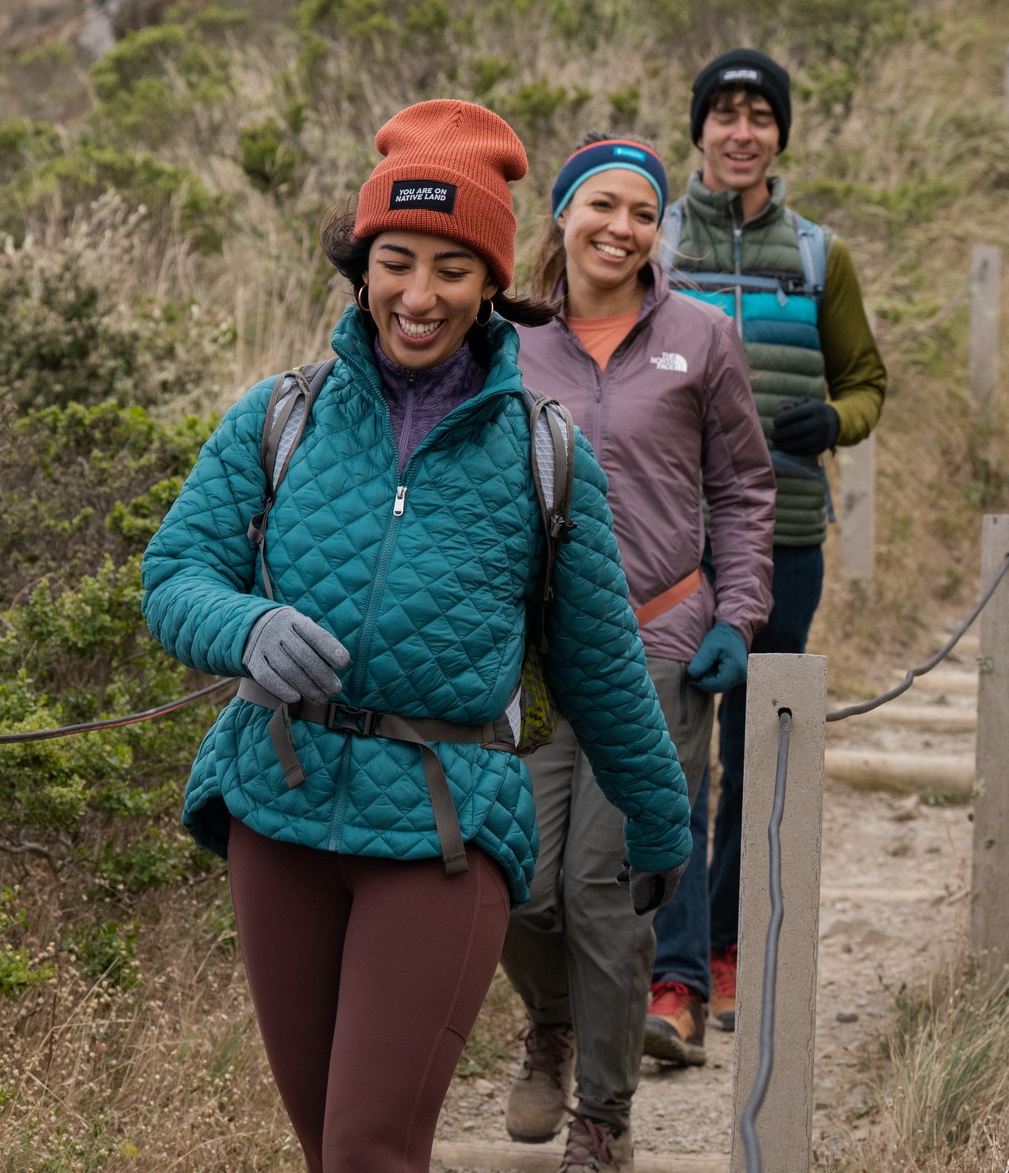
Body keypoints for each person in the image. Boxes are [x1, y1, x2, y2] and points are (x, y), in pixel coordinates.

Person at [141, 99, 692, 1173]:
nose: (418, 295)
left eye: (452, 268)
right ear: (361, 267)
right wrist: (244, 626)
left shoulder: (546, 455)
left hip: (444, 832)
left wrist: (660, 819)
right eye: (396, 261)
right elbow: (173, 576)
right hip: (278, 804)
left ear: (494, 282)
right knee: (326, 1149)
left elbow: (600, 663)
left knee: (366, 1152)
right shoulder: (278, 414)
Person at [498, 136, 776, 1165]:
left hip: (658, 642)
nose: (621, 228)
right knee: (515, 882)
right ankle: (552, 1024)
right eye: (601, 206)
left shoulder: (701, 337)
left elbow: (745, 489)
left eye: (643, 213)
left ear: (660, 230)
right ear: (562, 217)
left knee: (608, 891)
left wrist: (735, 616)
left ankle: (603, 1116)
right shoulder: (504, 341)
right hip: (527, 656)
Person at [648, 49, 887, 1043]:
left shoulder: (820, 257)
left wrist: (832, 423)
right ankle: (672, 977)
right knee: (668, 759)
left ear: (780, 134)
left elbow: (868, 383)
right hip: (666, 551)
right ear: (697, 129)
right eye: (724, 114)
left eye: (759, 115)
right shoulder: (649, 246)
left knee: (756, 759)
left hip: (785, 539)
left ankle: (725, 949)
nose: (740, 132)